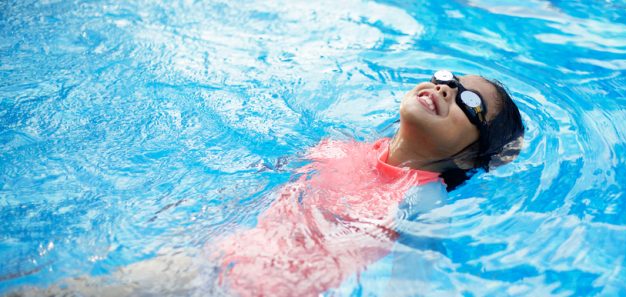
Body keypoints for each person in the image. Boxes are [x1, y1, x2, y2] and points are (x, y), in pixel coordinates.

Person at [8, 70, 524, 297]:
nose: (445, 88)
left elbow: (410, 284)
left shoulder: (422, 196)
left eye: (468, 101)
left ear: (475, 153)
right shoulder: (340, 146)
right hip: (209, 253)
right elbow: (248, 189)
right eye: (448, 78)